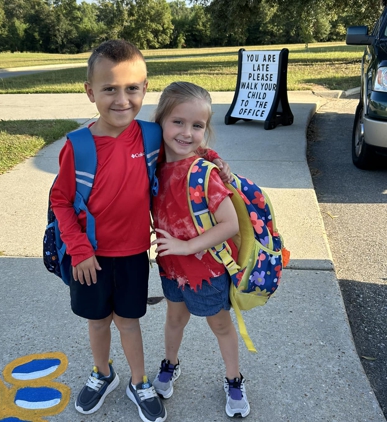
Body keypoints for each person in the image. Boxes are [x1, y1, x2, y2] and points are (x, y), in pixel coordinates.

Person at [50, 41, 229, 422]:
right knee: (97, 321)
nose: (121, 99)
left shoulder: (149, 136)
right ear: (90, 92)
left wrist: (214, 158)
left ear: (145, 89)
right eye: (109, 88)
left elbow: (186, 145)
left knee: (128, 322)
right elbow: (61, 201)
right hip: (90, 258)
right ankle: (102, 373)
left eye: (132, 88)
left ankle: (138, 380)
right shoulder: (77, 146)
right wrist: (79, 249)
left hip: (132, 254)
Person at [150, 81, 251, 418]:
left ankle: (234, 379)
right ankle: (170, 364)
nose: (187, 132)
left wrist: (186, 245)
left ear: (206, 130)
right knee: (174, 318)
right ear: (160, 121)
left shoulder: (204, 175)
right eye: (178, 122)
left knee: (220, 325)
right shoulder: (154, 165)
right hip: (171, 270)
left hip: (205, 271)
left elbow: (230, 224)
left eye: (197, 126)